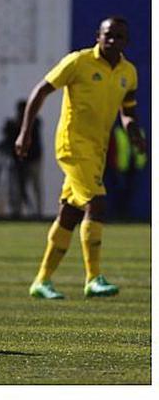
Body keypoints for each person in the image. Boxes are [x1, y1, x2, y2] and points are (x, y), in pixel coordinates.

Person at [16, 16, 144, 299]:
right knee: (96, 203)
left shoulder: (129, 72)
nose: (113, 40)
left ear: (126, 41)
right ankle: (93, 277)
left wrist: (134, 133)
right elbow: (41, 91)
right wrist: (25, 132)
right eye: (108, 35)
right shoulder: (78, 62)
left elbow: (128, 111)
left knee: (70, 213)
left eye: (119, 36)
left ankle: (42, 281)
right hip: (72, 145)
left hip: (97, 150)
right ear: (98, 35)